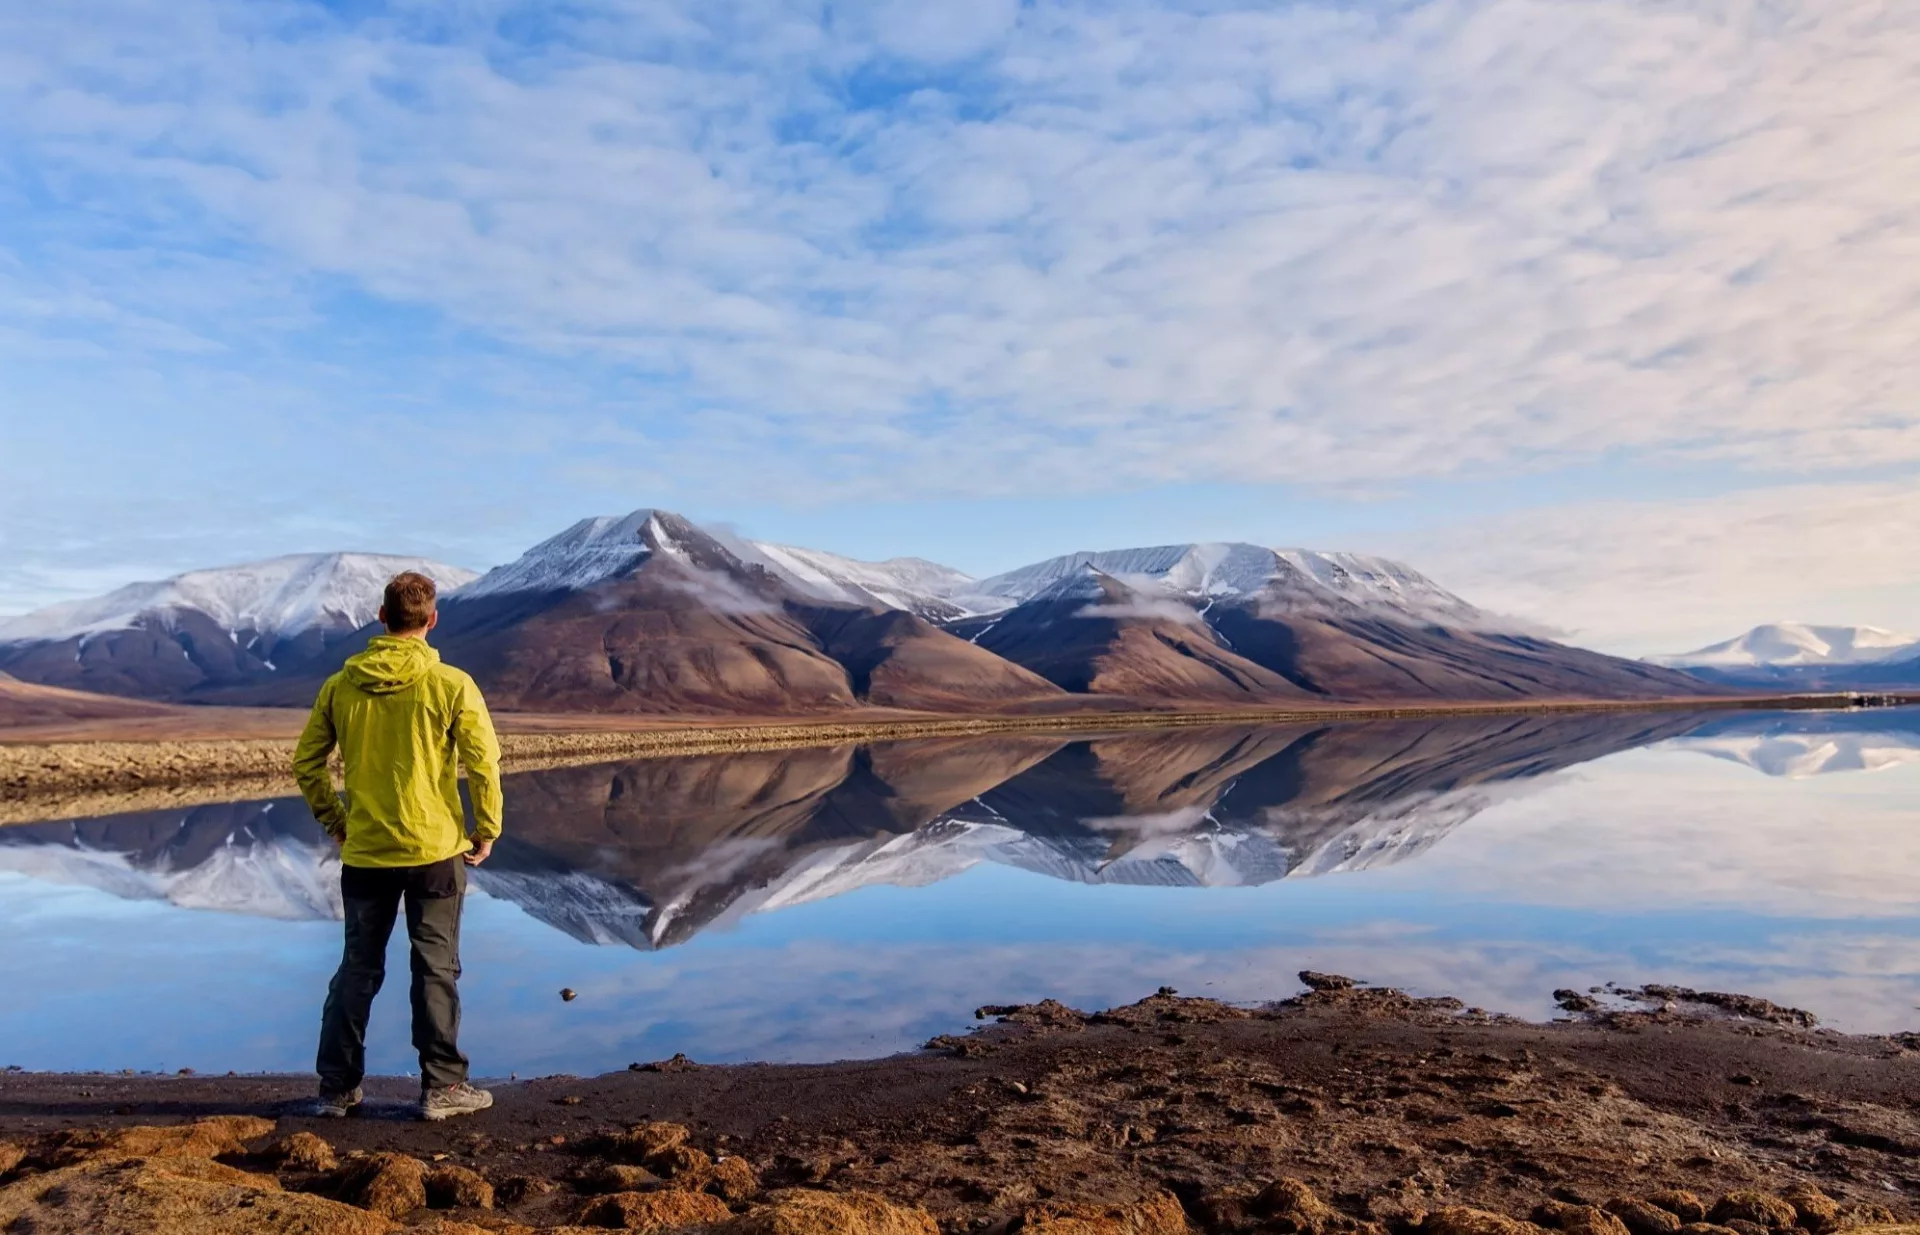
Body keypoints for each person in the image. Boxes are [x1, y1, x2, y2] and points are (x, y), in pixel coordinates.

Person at [292, 570, 503, 1122]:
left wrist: (336, 822)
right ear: (431, 621)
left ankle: (336, 1089)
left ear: (381, 618)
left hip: (365, 855)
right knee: (435, 968)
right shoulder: (453, 684)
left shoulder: (340, 685)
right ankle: (442, 1089)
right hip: (435, 853)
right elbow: (482, 764)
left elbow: (306, 764)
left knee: (357, 968)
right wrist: (487, 829)